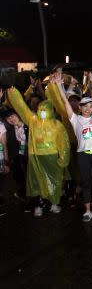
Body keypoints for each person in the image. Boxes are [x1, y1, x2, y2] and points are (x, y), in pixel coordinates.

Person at [5, 86, 69, 217]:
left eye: (45, 110)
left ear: (51, 110)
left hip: (52, 157)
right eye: (40, 109)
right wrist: (14, 95)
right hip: (36, 157)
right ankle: (37, 205)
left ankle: (54, 203)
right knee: (35, 182)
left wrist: (64, 157)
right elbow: (22, 109)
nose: (42, 112)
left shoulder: (57, 125)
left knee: (54, 181)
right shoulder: (33, 121)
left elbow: (64, 143)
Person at [55, 74, 92, 222]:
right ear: (80, 107)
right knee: (86, 182)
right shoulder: (75, 119)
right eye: (85, 106)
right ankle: (88, 211)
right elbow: (65, 102)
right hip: (83, 154)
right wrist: (60, 86)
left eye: (91, 106)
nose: (88, 109)